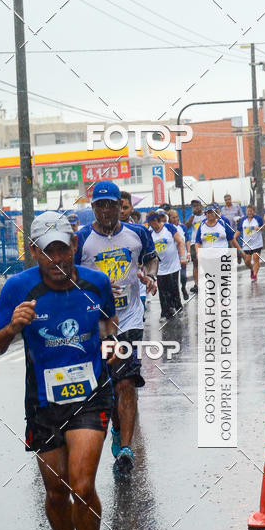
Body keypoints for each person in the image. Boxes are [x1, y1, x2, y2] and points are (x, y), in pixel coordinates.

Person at [0, 211, 118, 530]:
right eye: (49, 251)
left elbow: (108, 324)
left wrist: (111, 348)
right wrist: (11, 328)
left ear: (74, 247)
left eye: (64, 249)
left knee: (81, 482)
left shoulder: (96, 282)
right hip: (42, 403)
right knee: (57, 491)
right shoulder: (18, 288)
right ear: (35, 251)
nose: (58, 259)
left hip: (90, 397)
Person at [75, 180, 157, 476]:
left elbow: (151, 259)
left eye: (111, 204)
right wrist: (91, 287)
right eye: (101, 205)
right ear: (93, 208)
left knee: (126, 382)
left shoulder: (137, 233)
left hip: (130, 318)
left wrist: (151, 277)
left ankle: (124, 449)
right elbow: (69, 276)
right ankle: (117, 428)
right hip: (96, 323)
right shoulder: (82, 238)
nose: (107, 210)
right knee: (108, 384)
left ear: (119, 207)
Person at [147, 209, 186, 320]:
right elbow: (149, 249)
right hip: (160, 267)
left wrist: (182, 257)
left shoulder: (169, 228)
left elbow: (180, 242)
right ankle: (165, 313)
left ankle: (178, 308)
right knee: (162, 290)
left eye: (151, 222)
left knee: (173, 288)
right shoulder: (150, 233)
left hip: (173, 265)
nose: (150, 225)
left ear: (156, 220)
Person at [168, 208, 190, 299]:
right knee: (173, 279)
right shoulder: (167, 228)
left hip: (182, 254)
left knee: (183, 275)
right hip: (172, 257)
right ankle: (175, 297)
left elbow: (187, 240)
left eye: (177, 217)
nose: (175, 219)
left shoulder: (182, 227)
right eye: (173, 218)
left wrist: (188, 252)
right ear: (169, 218)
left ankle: (183, 287)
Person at [238, 204, 264, 281]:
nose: (249, 212)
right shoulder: (243, 220)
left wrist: (258, 228)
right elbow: (239, 230)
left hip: (257, 243)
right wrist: (234, 238)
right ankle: (252, 269)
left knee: (256, 258)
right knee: (247, 261)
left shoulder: (258, 218)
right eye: (248, 211)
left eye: (251, 211)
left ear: (254, 211)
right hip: (247, 244)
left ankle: (255, 275)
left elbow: (264, 228)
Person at [184, 198, 205, 293]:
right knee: (195, 263)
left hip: (205, 242)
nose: (196, 208)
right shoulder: (192, 217)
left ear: (201, 206)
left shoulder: (206, 215)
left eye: (197, 205)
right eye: (194, 206)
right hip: (194, 242)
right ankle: (196, 284)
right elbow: (186, 226)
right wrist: (192, 215)